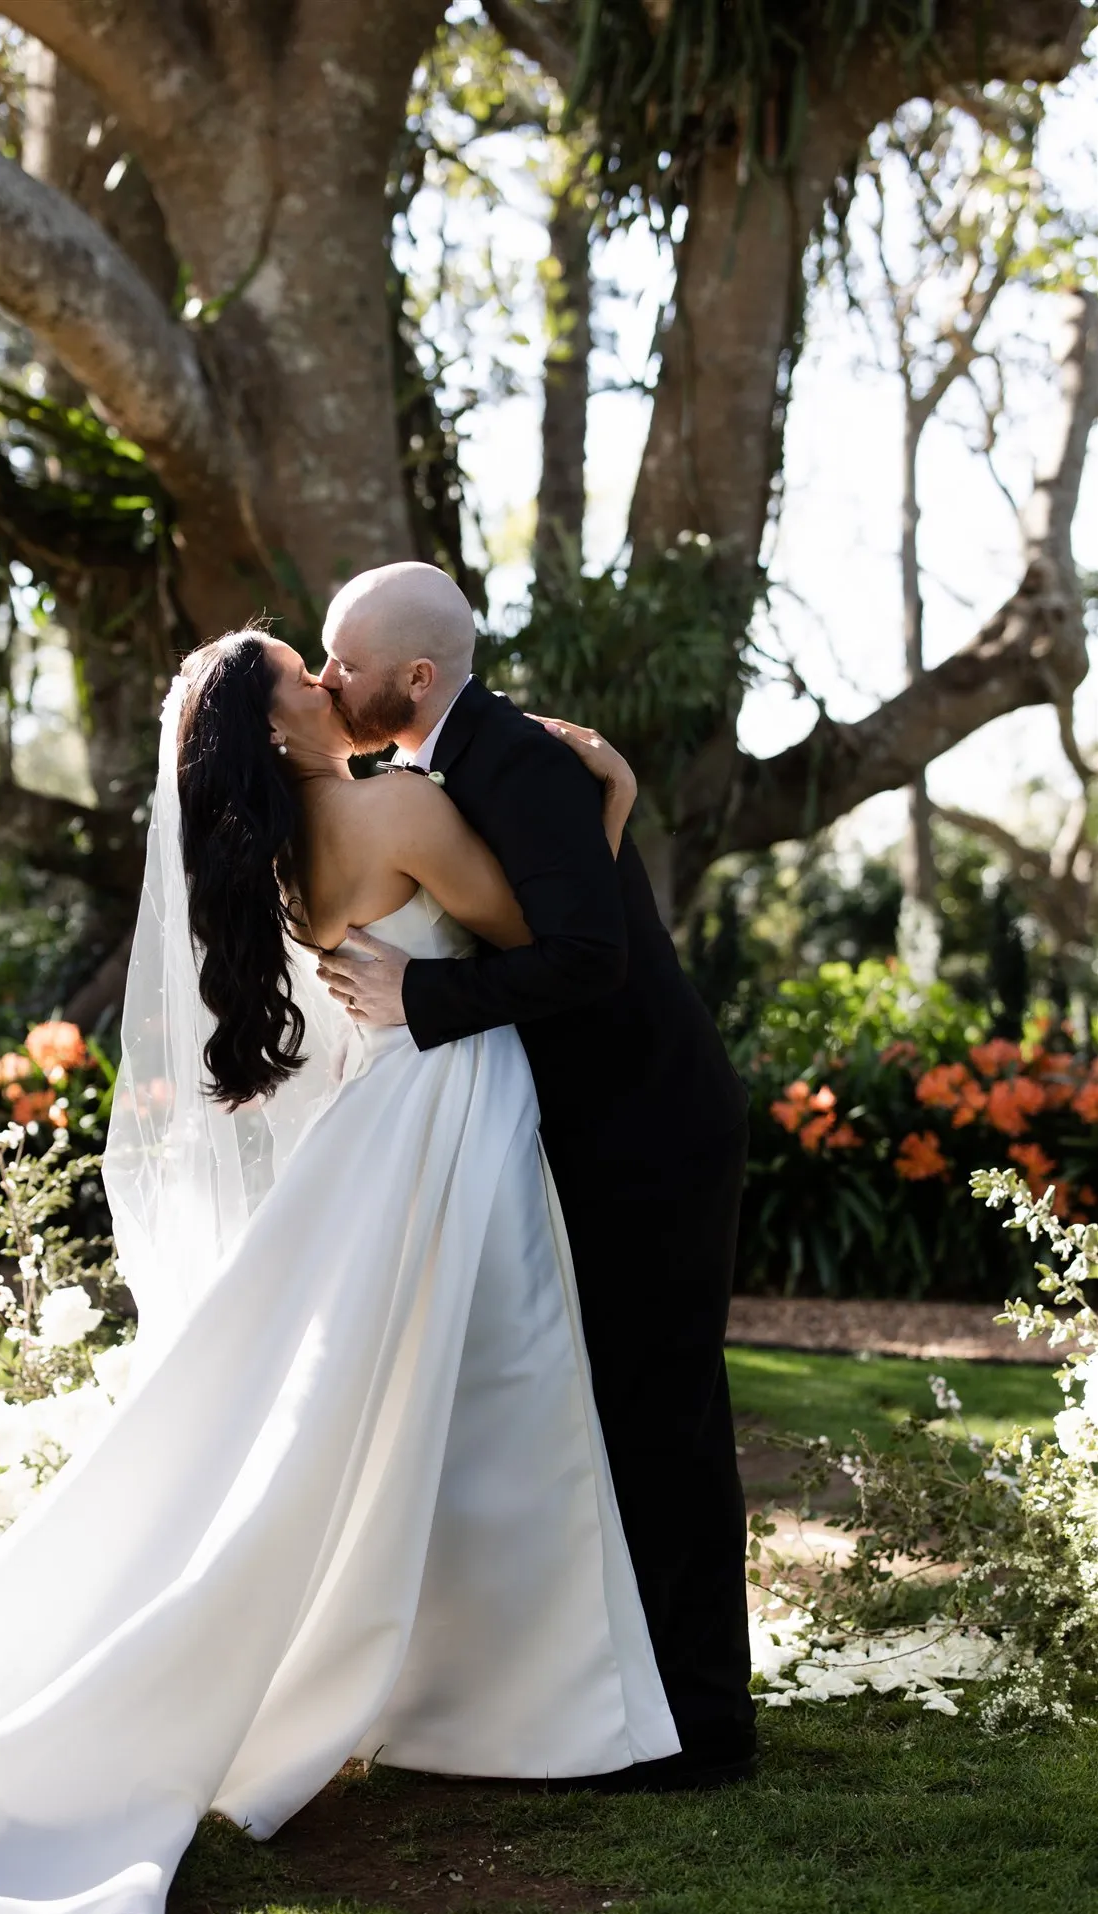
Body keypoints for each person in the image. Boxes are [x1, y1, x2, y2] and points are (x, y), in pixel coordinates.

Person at [0, 628, 677, 1914]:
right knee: (491, 1373)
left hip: (385, 1112)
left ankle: (476, 1693)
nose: (335, 687)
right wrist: (614, 805)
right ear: (283, 726)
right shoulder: (398, 803)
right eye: (311, 679)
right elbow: (538, 934)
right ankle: (507, 1700)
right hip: (445, 1106)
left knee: (421, 1392)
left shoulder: (283, 861)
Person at [315, 563, 755, 1790]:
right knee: (613, 1414)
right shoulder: (467, 765)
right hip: (592, 1127)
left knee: (664, 1415)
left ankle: (706, 1730)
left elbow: (590, 958)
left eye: (345, 659)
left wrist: (422, 994)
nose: (326, 674)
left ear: (418, 675)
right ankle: (633, 1701)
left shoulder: (515, 760)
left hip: (652, 1128)